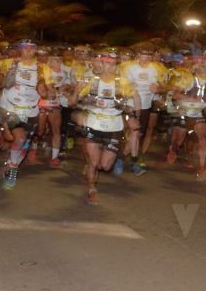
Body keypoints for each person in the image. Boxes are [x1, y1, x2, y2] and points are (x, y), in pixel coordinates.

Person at [69, 49, 134, 204]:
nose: (109, 66)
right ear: (101, 64)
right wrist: (76, 92)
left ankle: (94, 173)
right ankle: (92, 189)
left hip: (114, 127)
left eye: (112, 64)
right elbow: (71, 103)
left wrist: (131, 119)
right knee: (93, 162)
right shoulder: (91, 81)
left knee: (104, 166)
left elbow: (130, 105)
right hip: (93, 125)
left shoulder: (123, 82)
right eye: (106, 63)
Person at [0, 40, 50, 189]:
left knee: (24, 143)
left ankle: (11, 164)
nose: (28, 51)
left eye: (32, 49)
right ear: (20, 50)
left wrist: (47, 92)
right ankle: (13, 170)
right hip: (10, 105)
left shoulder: (42, 68)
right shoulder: (9, 62)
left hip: (30, 109)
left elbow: (48, 87)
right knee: (19, 138)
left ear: (35, 51)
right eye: (25, 48)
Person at [119, 44, 168, 175]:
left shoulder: (156, 69)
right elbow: (121, 87)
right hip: (131, 105)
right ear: (138, 55)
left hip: (146, 106)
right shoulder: (129, 68)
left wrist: (158, 89)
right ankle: (135, 164)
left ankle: (121, 157)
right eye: (143, 54)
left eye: (148, 55)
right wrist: (129, 88)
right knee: (135, 132)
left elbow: (165, 86)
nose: (145, 57)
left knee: (137, 135)